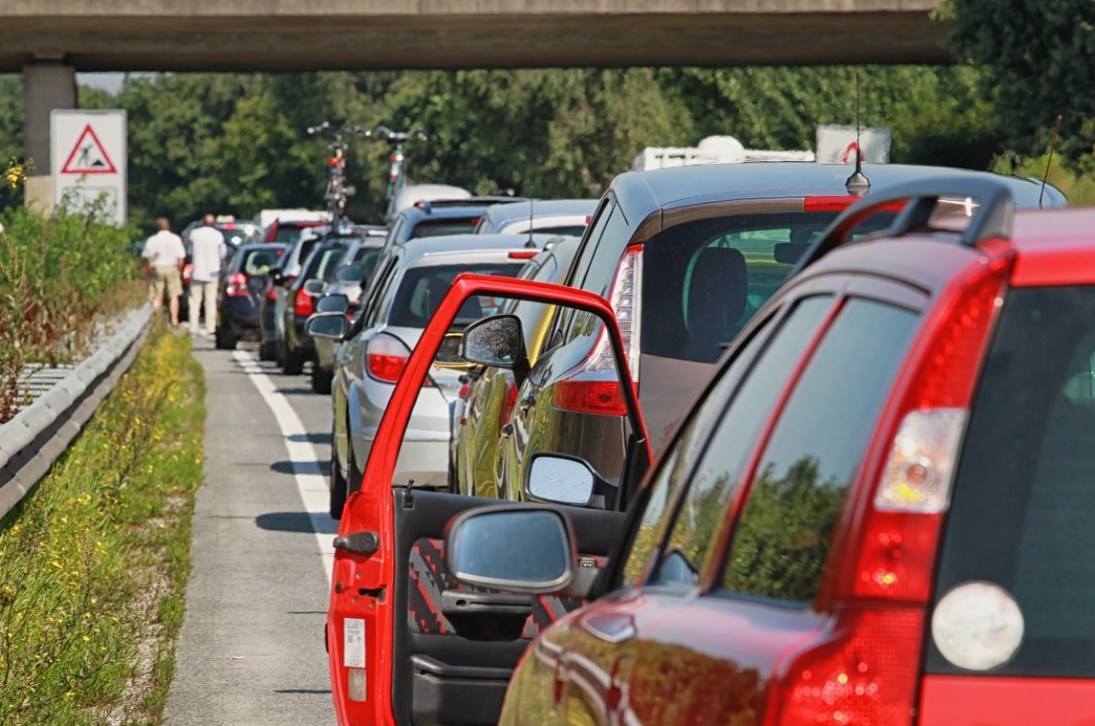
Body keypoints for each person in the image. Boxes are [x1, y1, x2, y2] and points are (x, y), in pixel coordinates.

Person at [142, 217, 186, 329]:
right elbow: (181, 257)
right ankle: (174, 319)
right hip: (172, 267)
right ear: (168, 226)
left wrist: (148, 269)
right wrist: (179, 269)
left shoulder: (152, 240)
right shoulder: (175, 239)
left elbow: (147, 258)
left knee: (157, 294)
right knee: (173, 294)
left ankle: (157, 319)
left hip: (157, 267)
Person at [188, 214, 228, 336]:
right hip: (212, 272)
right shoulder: (218, 235)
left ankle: (193, 326)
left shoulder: (194, 234)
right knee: (211, 301)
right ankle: (210, 327)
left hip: (197, 271)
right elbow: (223, 253)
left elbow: (189, 251)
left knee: (195, 301)